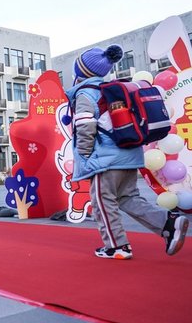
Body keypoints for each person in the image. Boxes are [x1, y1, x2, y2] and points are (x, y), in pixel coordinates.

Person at [65, 44, 188, 260]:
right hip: (130, 154)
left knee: (102, 201)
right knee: (128, 198)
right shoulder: (111, 91)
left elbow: (85, 126)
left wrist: (84, 154)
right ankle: (168, 223)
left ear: (80, 72)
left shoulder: (86, 94)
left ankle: (117, 246)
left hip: (105, 159)